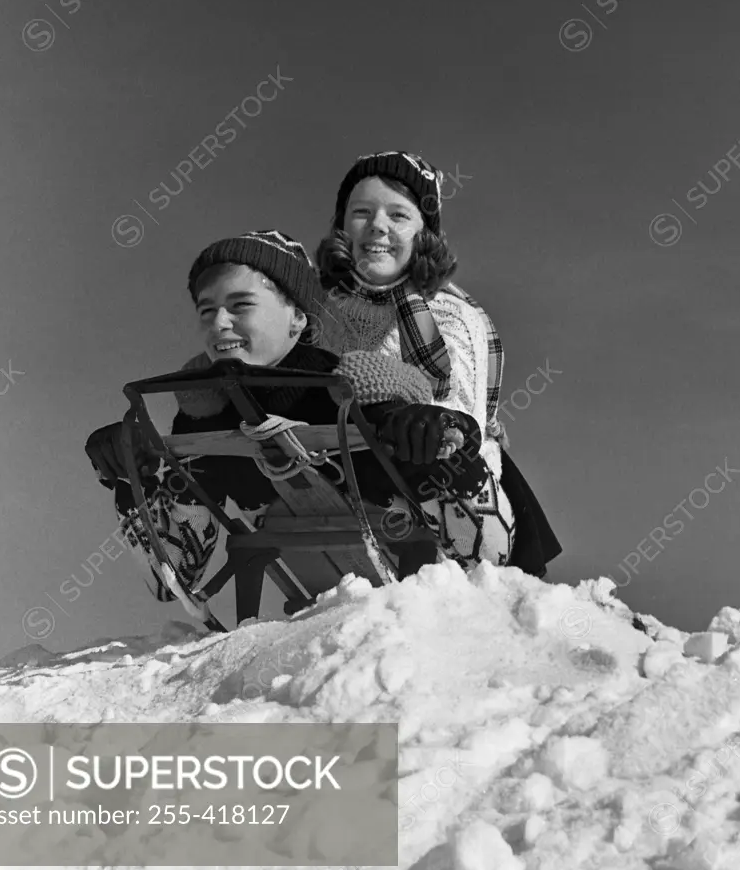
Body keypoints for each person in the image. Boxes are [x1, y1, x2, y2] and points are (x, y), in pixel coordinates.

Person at [175, 151, 561, 575]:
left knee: (427, 441)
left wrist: (426, 422)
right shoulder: (319, 311)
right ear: (343, 226)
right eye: (361, 212)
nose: (377, 226)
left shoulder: (448, 316)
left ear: (423, 234)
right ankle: (180, 530)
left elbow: (460, 412)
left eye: (398, 215)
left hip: (422, 456)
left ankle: (473, 551)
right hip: (332, 462)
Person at [85, 229, 493, 612]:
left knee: (427, 449)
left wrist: (447, 435)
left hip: (431, 608)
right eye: (206, 310)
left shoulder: (361, 394)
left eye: (241, 305)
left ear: (298, 318)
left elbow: (493, 556)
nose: (218, 323)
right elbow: (171, 576)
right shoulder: (203, 414)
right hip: (329, 623)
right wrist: (133, 477)